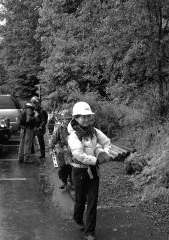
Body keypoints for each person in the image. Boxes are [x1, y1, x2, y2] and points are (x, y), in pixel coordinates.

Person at [68, 101, 111, 240]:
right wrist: (96, 160)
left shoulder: (94, 131)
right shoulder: (73, 135)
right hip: (79, 171)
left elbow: (107, 142)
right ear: (76, 118)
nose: (86, 119)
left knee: (93, 201)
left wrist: (105, 153)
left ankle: (90, 231)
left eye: (88, 116)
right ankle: (77, 218)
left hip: (93, 171)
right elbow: (78, 154)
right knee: (80, 200)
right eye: (83, 116)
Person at [49, 109, 73, 190]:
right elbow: (53, 139)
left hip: (71, 151)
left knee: (71, 168)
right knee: (62, 169)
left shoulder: (74, 128)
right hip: (61, 151)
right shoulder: (59, 128)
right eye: (66, 119)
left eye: (69, 119)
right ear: (63, 119)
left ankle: (72, 183)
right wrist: (51, 148)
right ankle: (64, 182)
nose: (68, 121)